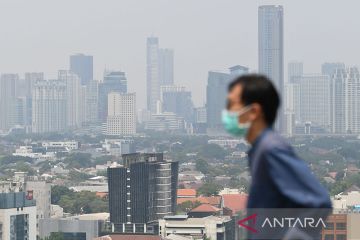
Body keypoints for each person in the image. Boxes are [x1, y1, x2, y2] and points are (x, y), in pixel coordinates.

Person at [223, 74, 331, 238]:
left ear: (254, 111)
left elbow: (319, 202)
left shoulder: (271, 149)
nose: (227, 112)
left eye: (231, 104)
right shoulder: (259, 149)